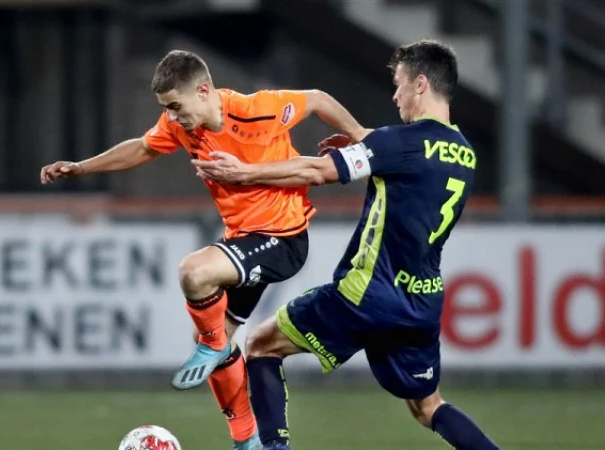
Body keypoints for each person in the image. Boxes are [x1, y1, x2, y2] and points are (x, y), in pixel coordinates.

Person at [40, 50, 365, 450]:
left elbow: (316, 98)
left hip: (283, 238)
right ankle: (247, 440)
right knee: (217, 338)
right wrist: (82, 167)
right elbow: (143, 148)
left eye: (175, 107)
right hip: (244, 239)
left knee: (195, 273)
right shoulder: (180, 126)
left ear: (204, 91)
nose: (172, 117)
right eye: (166, 109)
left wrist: (360, 135)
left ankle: (213, 347)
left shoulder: (257, 111)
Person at [193, 39, 499, 450]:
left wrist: (244, 173)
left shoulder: (398, 142)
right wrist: (368, 148)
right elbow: (413, 160)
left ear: (421, 84)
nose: (395, 94)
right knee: (428, 406)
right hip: (422, 304)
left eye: (399, 84)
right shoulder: (464, 153)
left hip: (367, 294)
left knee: (260, 345)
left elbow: (317, 171)